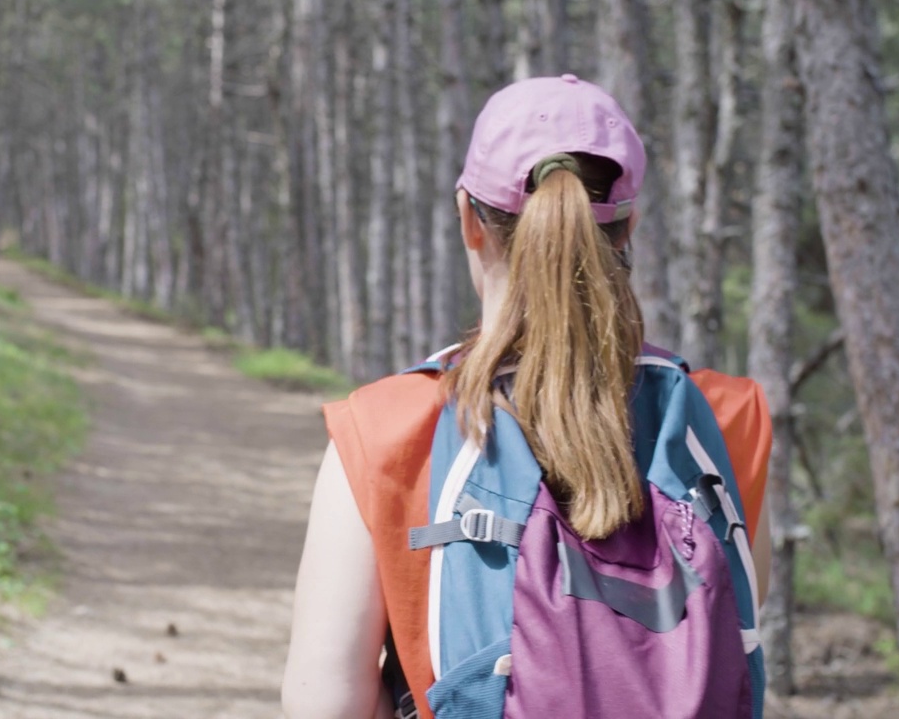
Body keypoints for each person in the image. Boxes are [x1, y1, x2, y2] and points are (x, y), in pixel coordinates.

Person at [281, 75, 773, 719]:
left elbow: (323, 704)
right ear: (628, 230)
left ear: (469, 219)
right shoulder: (726, 419)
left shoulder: (387, 427)